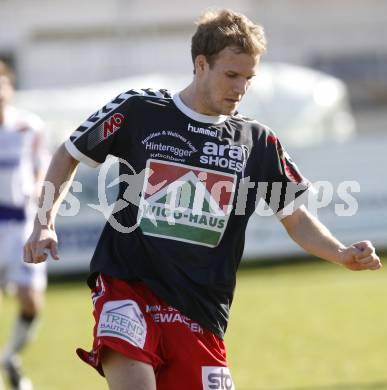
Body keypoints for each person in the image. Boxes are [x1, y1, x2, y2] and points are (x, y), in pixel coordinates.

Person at [23, 9, 381, 390]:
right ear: (201, 64)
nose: (240, 87)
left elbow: (295, 217)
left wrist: (340, 252)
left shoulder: (257, 141)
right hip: (128, 288)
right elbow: (69, 153)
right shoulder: (139, 110)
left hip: (199, 310)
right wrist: (44, 222)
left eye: (248, 78)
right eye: (231, 75)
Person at [0, 60, 48, 390]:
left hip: (20, 223)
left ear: (10, 88)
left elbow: (43, 169)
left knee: (31, 300)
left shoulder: (29, 127)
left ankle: (8, 357)